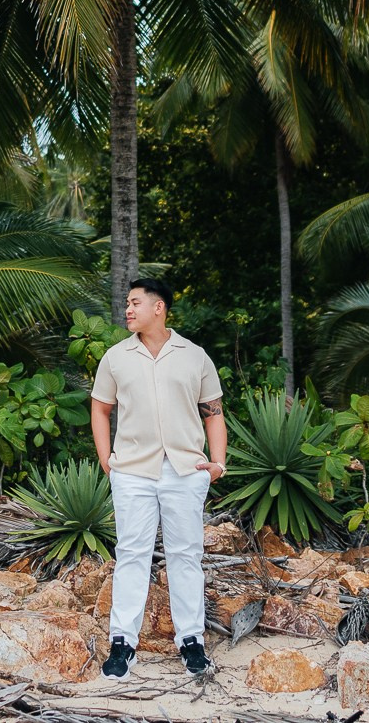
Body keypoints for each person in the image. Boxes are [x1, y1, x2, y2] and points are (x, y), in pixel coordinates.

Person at [90, 277, 227, 677]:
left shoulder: (195, 356)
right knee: (132, 554)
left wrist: (217, 463)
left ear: (158, 308)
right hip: (132, 470)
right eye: (126, 303)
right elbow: (100, 410)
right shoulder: (116, 357)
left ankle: (191, 642)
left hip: (186, 471)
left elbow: (213, 412)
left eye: (134, 303)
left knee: (186, 555)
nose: (127, 310)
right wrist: (106, 460)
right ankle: (122, 643)